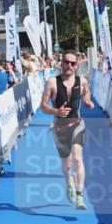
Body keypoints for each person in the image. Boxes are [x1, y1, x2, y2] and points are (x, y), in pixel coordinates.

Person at [40, 50, 94, 210]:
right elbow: (42, 106)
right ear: (61, 63)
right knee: (67, 165)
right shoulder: (51, 82)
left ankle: (80, 196)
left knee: (78, 158)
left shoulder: (82, 80)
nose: (69, 65)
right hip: (60, 127)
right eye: (66, 62)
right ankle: (68, 182)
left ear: (77, 65)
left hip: (78, 124)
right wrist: (55, 111)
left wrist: (87, 100)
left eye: (72, 63)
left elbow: (86, 91)